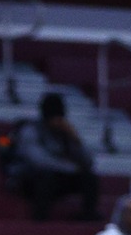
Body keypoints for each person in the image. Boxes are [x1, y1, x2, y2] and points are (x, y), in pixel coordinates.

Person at [9, 94, 97, 222]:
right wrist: (71, 168)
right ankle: (40, 220)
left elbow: (88, 162)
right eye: (54, 117)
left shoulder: (65, 133)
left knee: (90, 178)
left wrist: (76, 140)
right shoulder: (31, 130)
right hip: (28, 179)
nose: (57, 120)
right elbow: (39, 161)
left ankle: (88, 216)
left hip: (59, 177)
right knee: (45, 179)